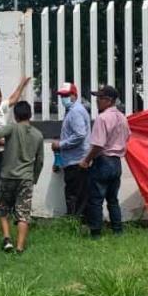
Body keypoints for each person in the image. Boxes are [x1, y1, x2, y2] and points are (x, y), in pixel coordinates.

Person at [0, 100, 44, 253]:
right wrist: (34, 177)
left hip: (7, 176)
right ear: (30, 115)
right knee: (23, 213)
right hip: (26, 178)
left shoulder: (11, 128)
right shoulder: (38, 135)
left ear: (15, 115)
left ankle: (7, 239)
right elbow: (40, 161)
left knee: (3, 209)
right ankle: (20, 247)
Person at [80, 86, 130, 238]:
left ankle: (95, 233)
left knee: (96, 199)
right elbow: (128, 137)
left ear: (109, 101)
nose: (97, 101)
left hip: (103, 161)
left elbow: (98, 145)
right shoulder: (123, 118)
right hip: (116, 162)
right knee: (113, 199)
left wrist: (86, 160)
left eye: (99, 98)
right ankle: (117, 230)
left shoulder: (102, 118)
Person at [51, 83, 91, 219]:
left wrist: (61, 145)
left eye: (66, 95)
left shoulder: (75, 111)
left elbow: (80, 135)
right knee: (77, 194)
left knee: (74, 195)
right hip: (74, 160)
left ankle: (75, 223)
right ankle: (78, 221)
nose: (63, 98)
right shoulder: (73, 111)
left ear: (75, 95)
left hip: (76, 161)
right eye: (62, 96)